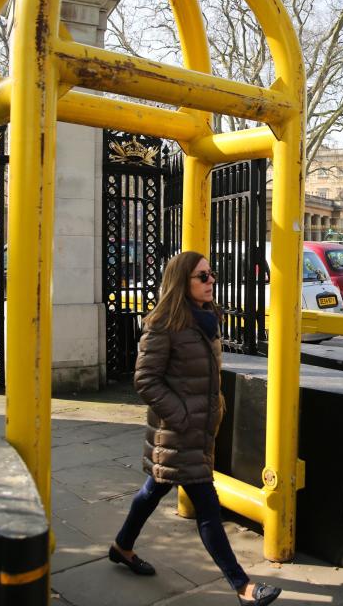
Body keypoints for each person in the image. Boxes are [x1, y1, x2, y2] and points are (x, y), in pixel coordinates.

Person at [109, 251, 282, 606]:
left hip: (199, 427)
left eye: (211, 274)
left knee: (152, 490)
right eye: (202, 276)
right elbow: (145, 380)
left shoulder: (207, 318)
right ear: (181, 282)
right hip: (179, 430)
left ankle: (121, 546)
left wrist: (210, 410)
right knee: (207, 505)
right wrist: (184, 416)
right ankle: (243, 586)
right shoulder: (163, 323)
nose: (211, 281)